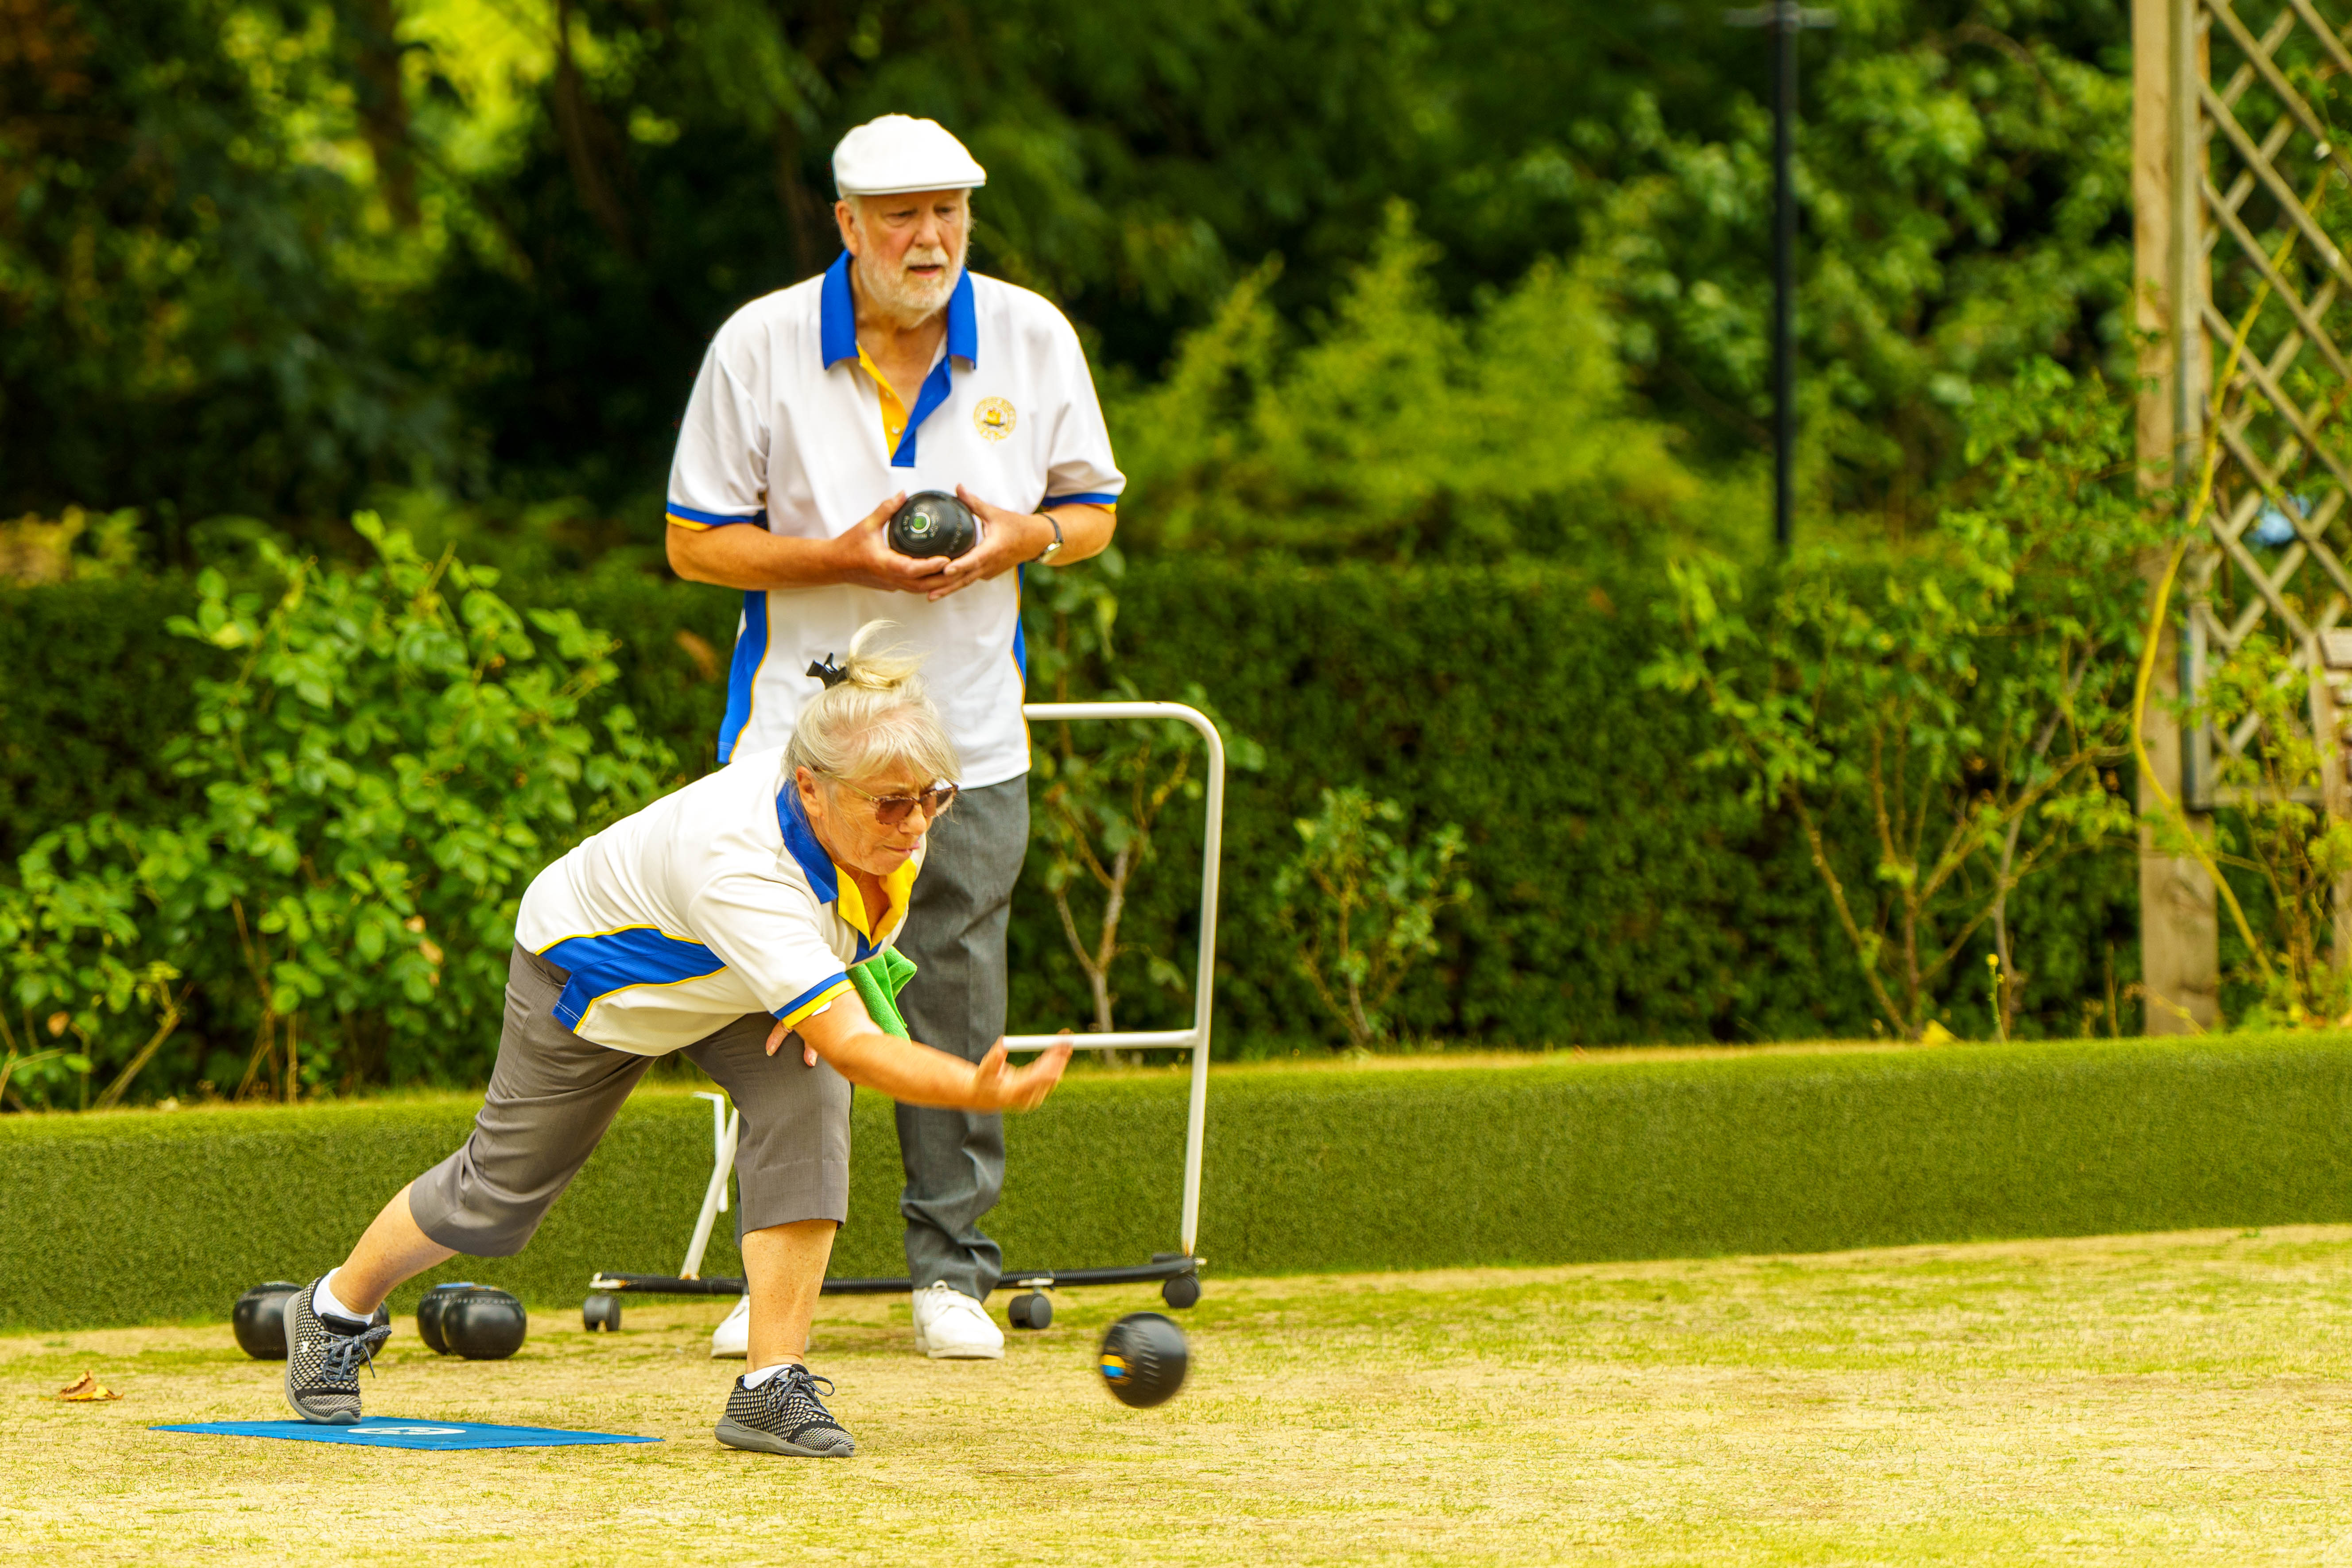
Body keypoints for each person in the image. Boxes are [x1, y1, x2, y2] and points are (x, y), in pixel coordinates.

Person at [279, 626, 1073, 1457]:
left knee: (810, 1096)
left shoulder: (880, 835)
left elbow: (855, 960)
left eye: (932, 797)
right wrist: (966, 1086)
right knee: (496, 1196)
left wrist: (824, 1007)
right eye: (891, 802)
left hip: (723, 978)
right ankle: (333, 1309)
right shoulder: (741, 864)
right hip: (594, 977)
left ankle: (771, 1386)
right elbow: (856, 1041)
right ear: (810, 787)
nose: (916, 825)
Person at [662, 113, 1122, 1361]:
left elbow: (1090, 513)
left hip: (966, 728)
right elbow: (695, 542)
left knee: (958, 986)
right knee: (784, 996)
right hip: (794, 743)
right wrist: (840, 555)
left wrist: (1018, 536)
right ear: (847, 223)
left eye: (951, 212)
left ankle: (953, 1272)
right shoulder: (757, 344)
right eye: (903, 214)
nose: (932, 238)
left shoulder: (1032, 334)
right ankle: (777, 1287)